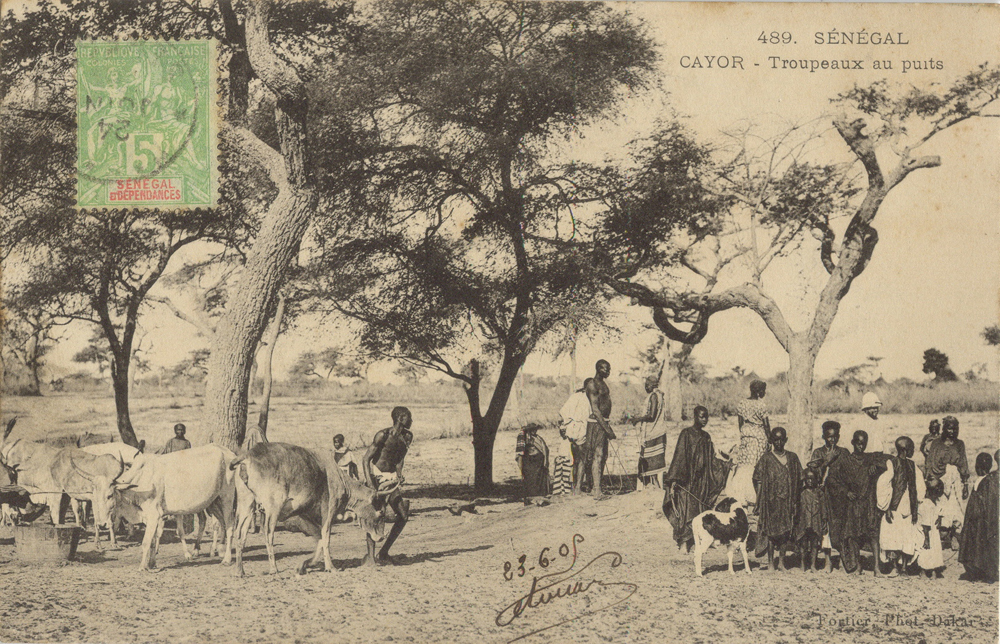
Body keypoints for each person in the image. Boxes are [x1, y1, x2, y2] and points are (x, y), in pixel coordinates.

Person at [662, 406, 731, 551]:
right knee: (685, 509)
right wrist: (674, 479)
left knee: (701, 508)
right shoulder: (686, 434)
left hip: (702, 481)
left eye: (706, 416)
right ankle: (684, 543)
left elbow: (711, 460)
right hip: (686, 480)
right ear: (695, 416)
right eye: (701, 416)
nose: (704, 420)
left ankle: (701, 539)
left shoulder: (706, 437)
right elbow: (679, 457)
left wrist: (725, 466)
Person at [826, 430, 887, 575]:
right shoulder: (845, 460)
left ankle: (877, 567)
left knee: (873, 533)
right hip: (853, 503)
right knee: (854, 534)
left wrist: (876, 467)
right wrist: (845, 492)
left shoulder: (870, 458)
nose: (861, 446)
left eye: (864, 443)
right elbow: (831, 479)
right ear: (853, 443)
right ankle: (858, 565)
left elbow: (887, 462)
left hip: (869, 502)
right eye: (858, 443)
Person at [362, 406, 414, 565]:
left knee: (403, 516)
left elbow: (399, 459)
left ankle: (383, 553)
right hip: (377, 478)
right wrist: (370, 481)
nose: (411, 421)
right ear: (400, 418)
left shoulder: (407, 436)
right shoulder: (382, 435)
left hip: (391, 480)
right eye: (408, 417)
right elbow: (365, 459)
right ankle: (370, 557)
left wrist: (399, 474)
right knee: (375, 517)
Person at [753, 427, 802, 571]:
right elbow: (758, 479)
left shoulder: (792, 458)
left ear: (786, 440)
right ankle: (770, 563)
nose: (779, 442)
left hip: (787, 501)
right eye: (776, 439)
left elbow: (800, 477)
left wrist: (795, 500)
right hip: (771, 502)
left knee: (785, 532)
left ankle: (781, 562)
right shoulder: (766, 458)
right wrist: (760, 498)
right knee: (770, 532)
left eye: (781, 439)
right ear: (771, 440)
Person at [877, 436, 923, 578]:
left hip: (908, 506)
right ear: (904, 449)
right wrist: (887, 507)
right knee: (893, 537)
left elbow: (919, 485)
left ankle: (904, 568)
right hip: (895, 506)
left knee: (907, 536)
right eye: (911, 448)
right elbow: (883, 484)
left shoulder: (912, 465)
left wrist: (916, 505)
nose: (913, 451)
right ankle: (895, 567)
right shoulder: (892, 463)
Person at [958, 451, 999, 582]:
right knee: (979, 545)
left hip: (984, 520)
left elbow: (986, 504)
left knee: (984, 545)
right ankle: (980, 572)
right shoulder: (985, 480)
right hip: (981, 520)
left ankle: (988, 573)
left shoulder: (989, 481)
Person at [582, 360, 616, 499]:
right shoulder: (592, 384)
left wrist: (608, 425)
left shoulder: (603, 384)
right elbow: (595, 410)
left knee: (603, 456)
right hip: (596, 423)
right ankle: (596, 490)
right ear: (598, 369)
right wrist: (607, 429)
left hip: (603, 422)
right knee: (597, 455)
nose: (608, 371)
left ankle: (596, 488)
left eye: (609, 369)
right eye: (605, 369)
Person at [630, 375, 666, 489]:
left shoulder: (654, 396)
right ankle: (654, 486)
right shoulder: (659, 395)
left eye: (647, 384)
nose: (645, 387)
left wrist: (638, 419)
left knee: (647, 461)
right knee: (654, 462)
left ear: (653, 385)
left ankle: (648, 488)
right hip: (658, 431)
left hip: (653, 433)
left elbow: (651, 416)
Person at [796, 468, 830, 572]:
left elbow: (823, 508)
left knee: (815, 544)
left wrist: (824, 520)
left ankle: (813, 565)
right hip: (804, 521)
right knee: (803, 544)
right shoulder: (801, 493)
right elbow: (797, 508)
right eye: (807, 479)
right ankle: (802, 564)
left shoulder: (819, 493)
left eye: (812, 479)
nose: (810, 481)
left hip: (816, 520)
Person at [913, 478, 948, 578]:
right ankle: (923, 571)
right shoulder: (926, 505)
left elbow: (939, 512)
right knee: (926, 551)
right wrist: (927, 539)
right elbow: (925, 524)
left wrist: (939, 518)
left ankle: (933, 570)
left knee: (935, 552)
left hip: (933, 531)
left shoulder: (934, 503)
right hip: (926, 532)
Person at [515, 423, 549, 503]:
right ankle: (531, 499)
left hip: (539, 462)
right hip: (530, 463)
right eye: (532, 429)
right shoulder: (524, 438)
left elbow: (545, 449)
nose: (534, 431)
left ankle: (540, 499)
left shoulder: (538, 438)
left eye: (535, 429)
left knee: (539, 480)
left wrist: (545, 461)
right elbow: (520, 453)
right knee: (531, 481)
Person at [552, 427, 573, 496]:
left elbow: (571, 453)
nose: (563, 432)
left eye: (564, 431)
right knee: (559, 477)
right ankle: (560, 492)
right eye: (561, 431)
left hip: (567, 461)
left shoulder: (569, 441)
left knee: (567, 477)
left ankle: (567, 492)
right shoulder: (559, 440)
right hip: (560, 460)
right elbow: (556, 451)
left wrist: (571, 462)